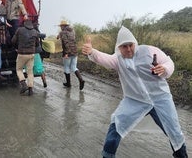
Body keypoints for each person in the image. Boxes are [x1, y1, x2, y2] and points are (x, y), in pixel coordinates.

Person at [82, 26, 188, 158]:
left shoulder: (149, 51)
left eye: (130, 45)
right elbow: (104, 59)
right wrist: (92, 52)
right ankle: (107, 155)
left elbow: (168, 61)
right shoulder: (118, 59)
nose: (128, 49)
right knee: (117, 124)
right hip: (135, 100)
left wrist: (165, 68)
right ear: (118, 47)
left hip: (161, 99)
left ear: (135, 43)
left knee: (174, 131)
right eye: (124, 46)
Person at [11, 20, 39, 96]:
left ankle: (23, 84)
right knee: (30, 72)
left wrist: (17, 46)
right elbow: (37, 44)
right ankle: (30, 90)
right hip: (31, 54)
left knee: (19, 69)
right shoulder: (35, 32)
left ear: (24, 24)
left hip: (22, 54)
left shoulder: (19, 30)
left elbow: (13, 41)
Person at [58, 20, 85, 90]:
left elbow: (66, 42)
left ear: (63, 26)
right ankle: (81, 80)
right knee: (74, 67)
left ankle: (68, 84)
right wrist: (59, 35)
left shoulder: (63, 32)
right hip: (75, 51)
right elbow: (71, 40)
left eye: (61, 26)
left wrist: (66, 53)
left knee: (66, 67)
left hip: (67, 52)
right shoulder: (72, 31)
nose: (60, 27)